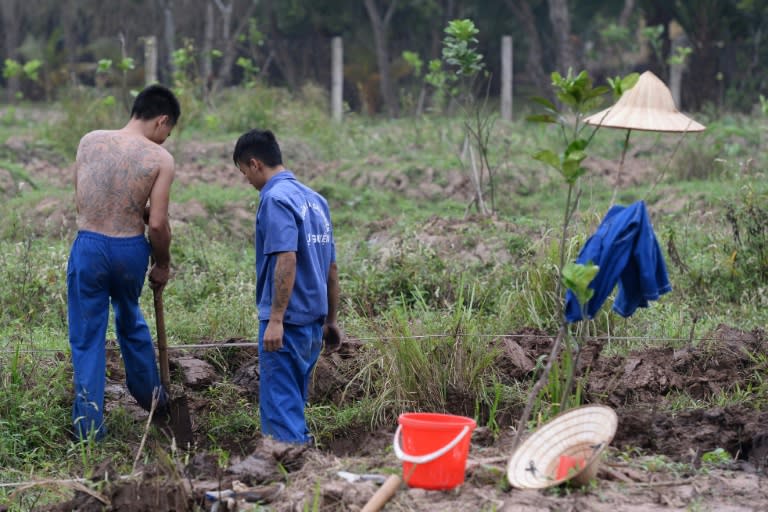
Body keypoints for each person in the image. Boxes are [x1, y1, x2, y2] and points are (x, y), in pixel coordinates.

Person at [67, 84, 180, 440]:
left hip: (90, 246)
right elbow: (158, 224)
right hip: (130, 250)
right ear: (162, 121)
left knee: (87, 339)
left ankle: (88, 430)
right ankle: (153, 399)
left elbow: (82, 199)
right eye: (168, 132)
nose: (164, 140)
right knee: (130, 318)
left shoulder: (89, 141)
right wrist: (162, 263)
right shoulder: (160, 159)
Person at [233, 129, 341, 445]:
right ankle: (304, 471)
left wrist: (276, 319)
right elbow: (331, 269)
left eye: (244, 173)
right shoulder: (316, 201)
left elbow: (286, 258)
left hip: (287, 325)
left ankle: (293, 480)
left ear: (255, 164)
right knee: (293, 405)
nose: (247, 181)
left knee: (281, 415)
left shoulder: (274, 199)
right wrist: (331, 320)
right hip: (312, 325)